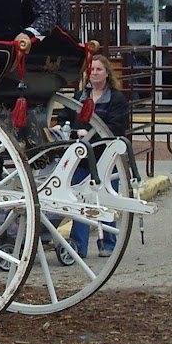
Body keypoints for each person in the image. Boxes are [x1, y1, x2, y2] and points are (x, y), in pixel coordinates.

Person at [64, 54, 131, 257]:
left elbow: (117, 127)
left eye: (98, 69)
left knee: (106, 200)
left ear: (107, 73)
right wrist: (63, 125)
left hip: (106, 158)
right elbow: (66, 115)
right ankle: (78, 246)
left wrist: (90, 134)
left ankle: (108, 244)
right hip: (82, 158)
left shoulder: (117, 99)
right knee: (79, 201)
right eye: (92, 69)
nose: (94, 73)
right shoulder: (80, 97)